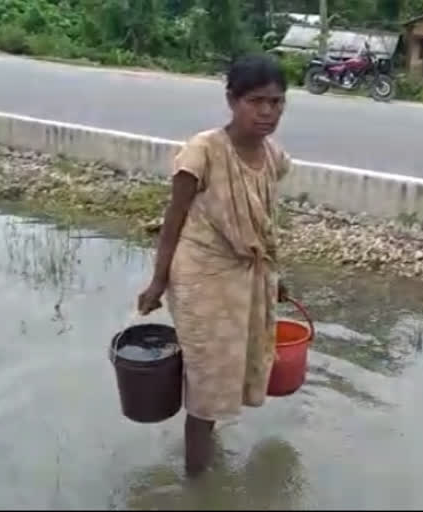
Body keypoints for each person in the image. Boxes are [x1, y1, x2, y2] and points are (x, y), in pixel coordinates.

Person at [136, 53, 292, 477]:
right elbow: (173, 220)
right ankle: (196, 484)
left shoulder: (273, 157)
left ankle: (208, 450)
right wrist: (157, 281)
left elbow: (264, 222)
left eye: (277, 102)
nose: (267, 112)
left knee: (231, 371)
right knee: (207, 383)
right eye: (256, 101)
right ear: (231, 100)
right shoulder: (203, 151)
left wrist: (276, 278)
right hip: (202, 276)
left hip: (248, 274)